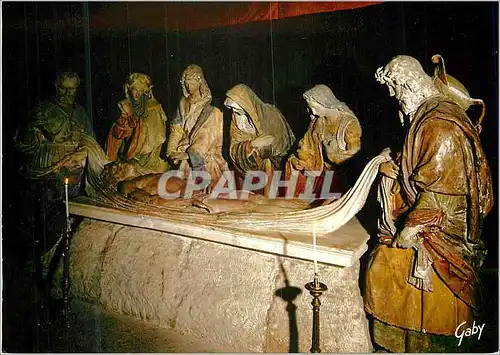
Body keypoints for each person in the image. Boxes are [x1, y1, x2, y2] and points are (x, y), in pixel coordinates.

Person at [364, 55, 494, 352]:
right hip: (431, 212)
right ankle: (404, 341)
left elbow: (440, 191)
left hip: (443, 227)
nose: (394, 97)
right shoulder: (426, 115)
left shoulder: (439, 124)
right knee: (384, 263)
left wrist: (408, 230)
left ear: (407, 84)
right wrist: (391, 163)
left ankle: (430, 343)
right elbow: (420, 164)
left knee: (385, 264)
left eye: (394, 89)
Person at [285, 84, 362, 197]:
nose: (312, 111)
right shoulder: (318, 122)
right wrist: (297, 160)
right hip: (321, 174)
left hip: (344, 179)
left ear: (324, 103)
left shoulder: (349, 125)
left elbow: (355, 157)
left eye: (314, 107)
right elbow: (306, 147)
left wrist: (333, 155)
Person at [17, 71, 95, 178]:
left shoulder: (80, 112)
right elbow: (26, 143)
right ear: (56, 85)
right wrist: (31, 128)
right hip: (48, 168)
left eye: (71, 89)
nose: (67, 93)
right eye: (62, 88)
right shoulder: (43, 109)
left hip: (75, 170)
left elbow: (91, 142)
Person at [224, 84, 295, 196]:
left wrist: (263, 149)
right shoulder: (236, 118)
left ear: (246, 103)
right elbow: (233, 149)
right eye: (231, 108)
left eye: (236, 108)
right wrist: (252, 144)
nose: (233, 112)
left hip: (271, 167)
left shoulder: (270, 113)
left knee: (268, 170)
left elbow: (283, 142)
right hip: (246, 169)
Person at [166, 64, 228, 190]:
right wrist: (171, 149)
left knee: (206, 192)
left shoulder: (211, 109)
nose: (189, 86)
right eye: (186, 82)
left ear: (200, 83)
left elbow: (208, 134)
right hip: (184, 148)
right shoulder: (183, 103)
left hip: (203, 155)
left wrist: (190, 154)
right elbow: (177, 128)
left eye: (193, 82)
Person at [106, 73, 169, 173]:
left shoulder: (153, 107)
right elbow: (117, 134)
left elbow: (157, 133)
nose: (138, 93)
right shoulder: (123, 105)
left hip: (147, 153)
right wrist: (123, 119)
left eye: (141, 90)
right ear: (129, 89)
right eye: (135, 89)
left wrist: (136, 120)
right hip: (127, 153)